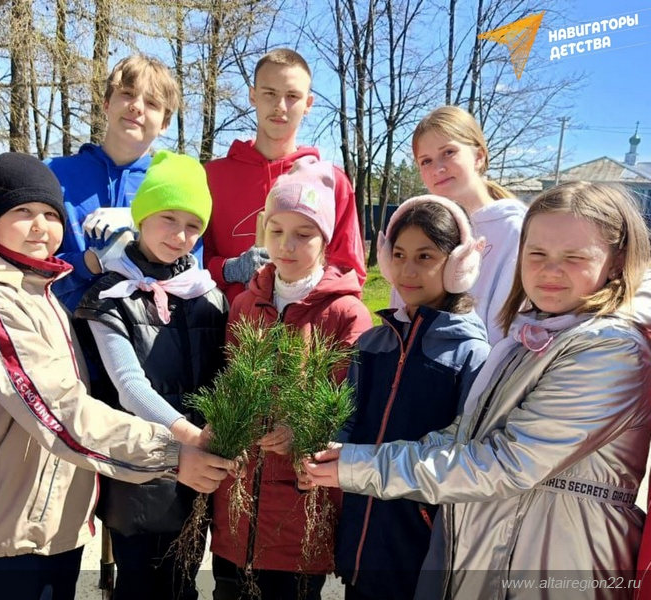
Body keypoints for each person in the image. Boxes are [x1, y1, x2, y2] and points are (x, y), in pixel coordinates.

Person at [305, 181, 651, 600]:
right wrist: (353, 458)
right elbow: (469, 435)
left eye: (574, 257)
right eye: (537, 253)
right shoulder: (537, 334)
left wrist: (362, 466)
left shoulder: (610, 349)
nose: (549, 270)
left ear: (615, 262)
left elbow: (505, 462)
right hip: (511, 545)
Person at [0, 152, 233, 600]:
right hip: (12, 525)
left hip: (47, 519)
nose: (39, 226)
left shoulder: (35, 290)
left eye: (50, 213)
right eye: (21, 211)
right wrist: (172, 452)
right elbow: (60, 411)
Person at [210, 156, 373, 600]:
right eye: (276, 231)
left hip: (297, 515)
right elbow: (230, 384)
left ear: (326, 239)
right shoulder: (246, 304)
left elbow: (349, 408)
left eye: (304, 234)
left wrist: (299, 430)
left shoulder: (345, 314)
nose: (287, 245)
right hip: (236, 509)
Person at [73, 150, 228, 600]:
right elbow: (128, 383)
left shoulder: (204, 294)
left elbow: (223, 375)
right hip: (140, 471)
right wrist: (188, 437)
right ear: (142, 216)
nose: (180, 236)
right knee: (140, 585)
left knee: (182, 585)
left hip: (197, 474)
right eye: (168, 218)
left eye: (193, 225)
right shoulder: (110, 295)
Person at [335, 195, 491, 600]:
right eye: (399, 254)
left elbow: (465, 456)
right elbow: (347, 422)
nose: (407, 270)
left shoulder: (470, 355)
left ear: (459, 265)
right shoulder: (372, 343)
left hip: (416, 550)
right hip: (360, 543)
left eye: (425, 256)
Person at [203, 48, 366, 305]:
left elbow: (349, 270)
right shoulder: (211, 177)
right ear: (252, 96)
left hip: (303, 338)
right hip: (224, 334)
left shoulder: (331, 182)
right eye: (269, 94)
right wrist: (228, 269)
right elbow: (188, 258)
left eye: (292, 96)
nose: (280, 107)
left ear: (308, 104)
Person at [46, 54, 183, 312]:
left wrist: (139, 221)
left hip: (145, 341)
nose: (137, 107)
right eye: (128, 93)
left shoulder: (174, 187)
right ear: (107, 103)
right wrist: (89, 262)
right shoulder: (54, 175)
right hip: (65, 337)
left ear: (165, 123)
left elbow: (189, 273)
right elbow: (30, 268)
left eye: (152, 103)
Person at [403, 105, 527, 343]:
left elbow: (507, 322)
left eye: (448, 152)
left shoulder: (513, 229)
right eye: (425, 161)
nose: (438, 168)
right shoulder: (421, 226)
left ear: (478, 156)